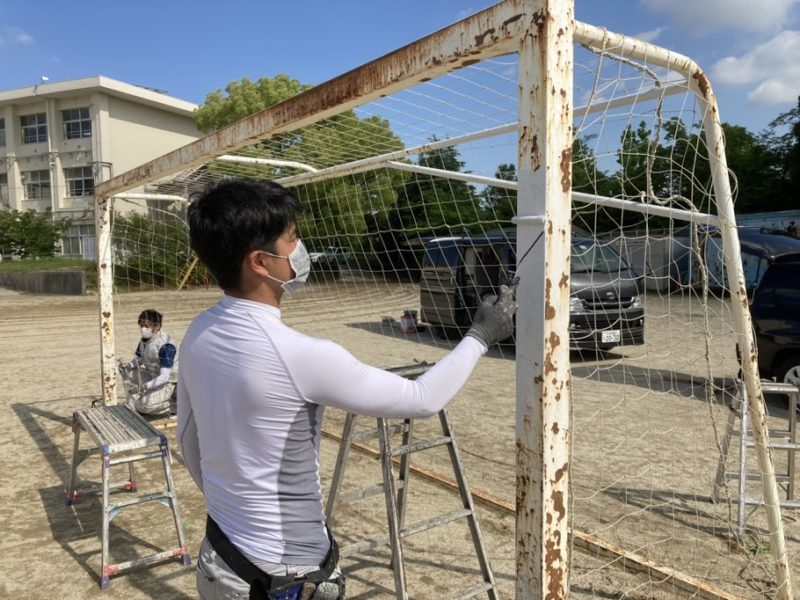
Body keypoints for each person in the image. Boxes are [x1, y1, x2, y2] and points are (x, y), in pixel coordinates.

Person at [177, 178, 516, 600]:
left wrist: (237, 511)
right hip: (283, 578)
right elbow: (421, 398)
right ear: (260, 263)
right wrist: (482, 334)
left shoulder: (197, 332)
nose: (300, 250)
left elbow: (188, 439)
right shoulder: (301, 354)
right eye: (292, 239)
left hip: (221, 560)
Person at [118, 309, 178, 417]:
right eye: (141, 326)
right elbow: (138, 359)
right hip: (153, 376)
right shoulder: (144, 341)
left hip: (169, 383)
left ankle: (174, 405)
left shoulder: (165, 346)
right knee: (129, 372)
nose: (143, 329)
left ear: (157, 326)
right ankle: (132, 405)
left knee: (142, 406)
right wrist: (128, 366)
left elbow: (165, 376)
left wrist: (144, 387)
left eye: (146, 326)